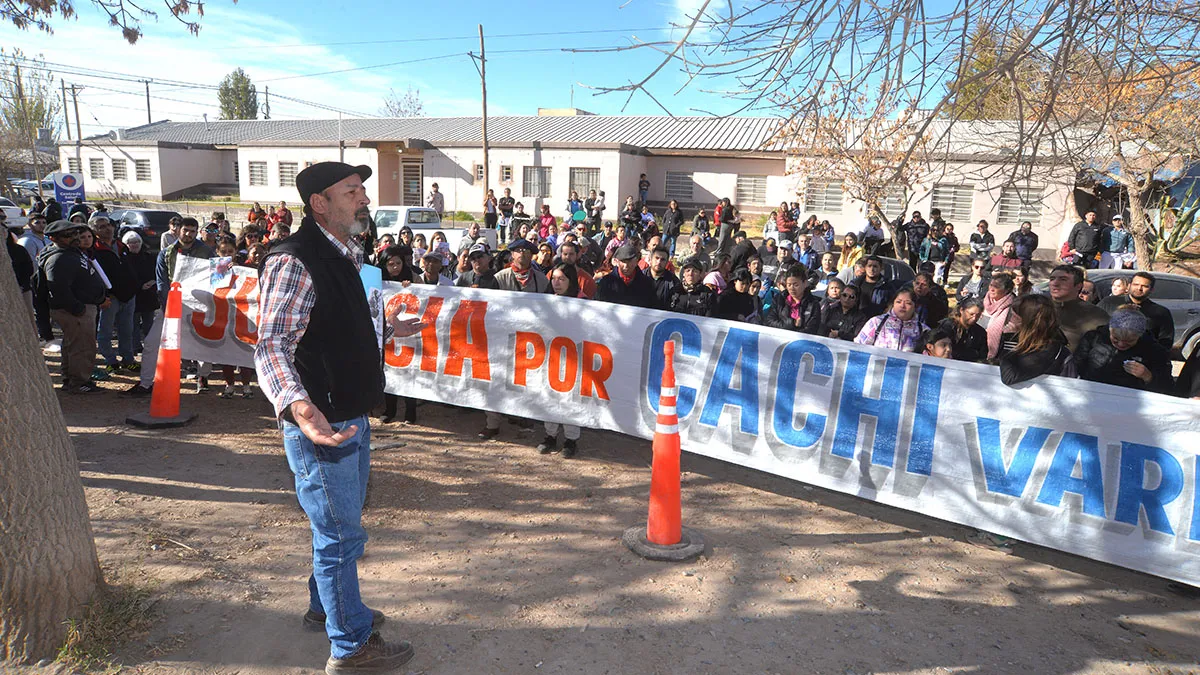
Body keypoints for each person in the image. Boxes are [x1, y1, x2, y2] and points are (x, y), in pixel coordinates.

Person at [253, 162, 424, 673]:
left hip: (350, 415)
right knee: (340, 535)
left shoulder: (346, 253)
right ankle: (350, 646)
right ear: (319, 204)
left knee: (335, 526)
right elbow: (273, 344)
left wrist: (387, 328)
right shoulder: (295, 259)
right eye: (352, 192)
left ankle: (325, 607)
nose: (364, 199)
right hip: (323, 426)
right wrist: (297, 404)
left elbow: (332, 328)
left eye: (362, 190)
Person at [38, 219, 108, 393]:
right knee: (81, 347)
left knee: (74, 345)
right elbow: (58, 288)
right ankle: (79, 382)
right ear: (54, 238)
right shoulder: (58, 258)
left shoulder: (71, 252)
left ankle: (72, 379)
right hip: (73, 311)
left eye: (76, 232)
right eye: (68, 235)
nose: (75, 237)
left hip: (81, 308)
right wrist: (77, 308)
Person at [1075, 307, 1173, 393]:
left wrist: (1147, 376)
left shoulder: (1154, 350)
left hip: (1130, 399)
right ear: (1109, 329)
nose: (1121, 344)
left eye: (1129, 341)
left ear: (1140, 336)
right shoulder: (1093, 338)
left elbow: (1168, 387)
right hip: (1093, 392)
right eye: (1115, 338)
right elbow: (1076, 366)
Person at [91, 214, 139, 373]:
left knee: (127, 330)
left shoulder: (121, 246)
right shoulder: (94, 250)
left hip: (128, 296)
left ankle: (128, 359)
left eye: (108, 225)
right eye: (101, 227)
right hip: (110, 298)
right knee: (105, 331)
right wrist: (104, 295)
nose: (107, 229)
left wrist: (134, 288)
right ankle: (110, 360)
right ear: (95, 231)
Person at [999, 294, 1076, 386]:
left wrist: (1009, 339)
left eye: (1014, 317)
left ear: (1028, 322)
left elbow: (1009, 377)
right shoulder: (1025, 340)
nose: (1010, 320)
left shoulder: (1047, 348)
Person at [1098, 271, 1174, 350]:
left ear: (1152, 290)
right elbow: (1095, 328)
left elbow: (1165, 342)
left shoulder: (1160, 312)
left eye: (1145, 286)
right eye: (1136, 284)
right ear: (1129, 286)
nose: (1139, 288)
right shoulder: (1109, 302)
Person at [1046, 264, 1110, 353]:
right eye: (1052, 279)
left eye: (1063, 279)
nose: (1055, 283)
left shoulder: (1096, 315)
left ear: (1078, 286)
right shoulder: (1037, 307)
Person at [19, 213, 54, 344]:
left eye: (44, 222)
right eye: (37, 223)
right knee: (40, 309)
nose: (41, 225)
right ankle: (44, 335)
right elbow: (31, 263)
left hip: (48, 279)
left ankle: (48, 333)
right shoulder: (27, 241)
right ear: (29, 224)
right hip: (35, 280)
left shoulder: (48, 240)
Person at [854, 288, 927, 351]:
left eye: (908, 303)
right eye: (898, 302)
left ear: (916, 306)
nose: (902, 306)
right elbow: (858, 347)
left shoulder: (923, 330)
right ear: (893, 303)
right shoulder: (876, 322)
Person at [122, 231, 159, 355]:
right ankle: (135, 347)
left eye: (137, 242)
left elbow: (156, 272)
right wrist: (140, 286)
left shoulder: (149, 257)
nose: (135, 245)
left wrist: (153, 282)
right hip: (133, 295)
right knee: (133, 324)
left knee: (149, 324)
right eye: (131, 242)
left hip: (149, 295)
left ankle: (150, 347)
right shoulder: (124, 258)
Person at [596, 243, 659, 309]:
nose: (626, 265)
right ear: (617, 262)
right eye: (623, 261)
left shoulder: (647, 284)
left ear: (636, 262)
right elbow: (598, 306)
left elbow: (653, 307)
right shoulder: (606, 282)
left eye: (629, 261)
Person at [761, 264, 820, 333]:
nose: (792, 288)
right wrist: (792, 323)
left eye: (796, 285)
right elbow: (770, 321)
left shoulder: (813, 304)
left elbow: (812, 329)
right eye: (789, 285)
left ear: (805, 283)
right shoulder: (779, 299)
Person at [981, 272, 1017, 361]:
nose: (992, 289)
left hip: (1000, 355)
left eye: (997, 286)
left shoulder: (1015, 308)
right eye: (991, 285)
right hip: (978, 350)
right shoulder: (981, 303)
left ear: (1007, 290)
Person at [938, 298, 988, 362]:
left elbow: (983, 355)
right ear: (961, 310)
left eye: (978, 315)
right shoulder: (948, 326)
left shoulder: (980, 332)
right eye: (971, 314)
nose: (974, 318)